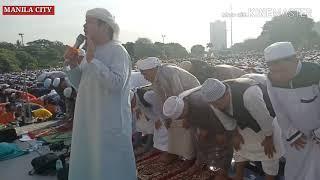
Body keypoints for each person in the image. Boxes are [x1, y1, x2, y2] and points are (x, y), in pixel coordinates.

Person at [64, 8, 136, 180]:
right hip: (88, 119)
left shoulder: (117, 50)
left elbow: (116, 84)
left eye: (89, 21)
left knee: (110, 166)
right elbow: (80, 85)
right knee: (90, 163)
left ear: (105, 26)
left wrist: (91, 60)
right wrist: (73, 65)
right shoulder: (89, 51)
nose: (84, 25)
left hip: (109, 123)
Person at [200, 78, 284, 180]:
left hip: (268, 118)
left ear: (226, 94)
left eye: (217, 104)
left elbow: (264, 118)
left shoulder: (249, 95)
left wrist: (269, 137)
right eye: (213, 105)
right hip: (243, 119)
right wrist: (235, 134)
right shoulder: (214, 102)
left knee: (269, 153)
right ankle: (238, 176)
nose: (215, 107)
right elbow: (226, 120)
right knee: (239, 146)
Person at [264, 42, 320, 180]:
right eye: (274, 71)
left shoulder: (315, 73)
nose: (279, 76)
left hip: (318, 132)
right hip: (296, 135)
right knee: (295, 169)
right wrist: (290, 132)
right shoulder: (271, 79)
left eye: (283, 70)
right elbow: (279, 109)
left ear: (295, 59)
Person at [136, 57, 200, 163]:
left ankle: (190, 157)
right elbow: (161, 100)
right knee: (171, 125)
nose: (144, 77)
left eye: (145, 74)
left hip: (192, 97)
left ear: (151, 69)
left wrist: (185, 116)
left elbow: (180, 93)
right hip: (179, 100)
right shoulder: (156, 79)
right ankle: (175, 153)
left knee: (185, 125)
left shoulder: (169, 72)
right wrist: (165, 118)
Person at [163, 86, 233, 180]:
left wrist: (219, 132)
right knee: (200, 141)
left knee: (223, 145)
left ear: (183, 110)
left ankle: (222, 171)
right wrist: (192, 122)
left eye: (180, 117)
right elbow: (193, 115)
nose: (180, 119)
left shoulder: (200, 104)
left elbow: (216, 114)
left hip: (220, 120)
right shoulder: (181, 101)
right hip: (204, 118)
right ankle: (199, 163)